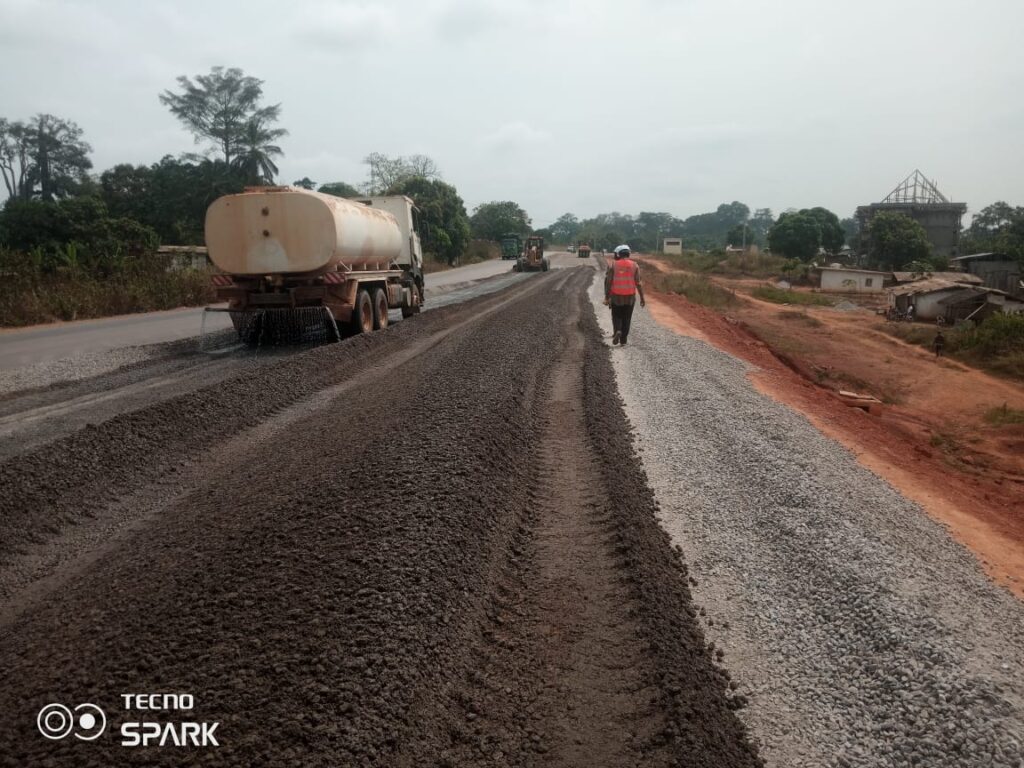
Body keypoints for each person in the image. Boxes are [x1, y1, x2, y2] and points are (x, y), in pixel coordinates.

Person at [603, 244, 645, 345]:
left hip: (616, 295)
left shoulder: (613, 265)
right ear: (629, 254)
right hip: (630, 296)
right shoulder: (635, 265)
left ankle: (618, 330)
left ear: (618, 254)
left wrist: (607, 297)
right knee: (627, 317)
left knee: (616, 315)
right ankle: (623, 340)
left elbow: (608, 282)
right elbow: (638, 283)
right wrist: (642, 298)